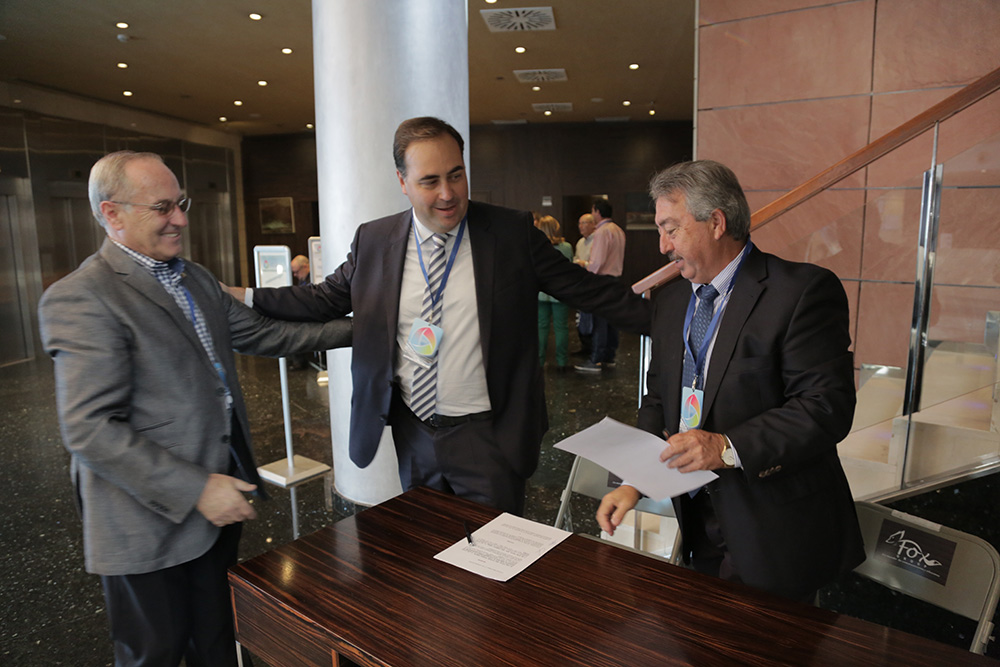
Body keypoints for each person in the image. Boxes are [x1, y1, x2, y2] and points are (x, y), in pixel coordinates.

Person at [235, 116, 650, 515]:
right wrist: (246, 297)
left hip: (489, 437)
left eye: (456, 175)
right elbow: (323, 299)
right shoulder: (375, 240)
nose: (448, 193)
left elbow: (589, 291)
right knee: (424, 549)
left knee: (494, 554)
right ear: (402, 182)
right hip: (414, 432)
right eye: (429, 181)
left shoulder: (510, 234)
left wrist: (671, 321)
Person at [38, 151, 352, 666]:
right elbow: (89, 428)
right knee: (155, 654)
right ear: (112, 214)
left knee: (216, 643)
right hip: (147, 524)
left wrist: (365, 330)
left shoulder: (194, 278)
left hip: (215, 508)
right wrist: (197, 489)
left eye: (180, 204)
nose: (180, 220)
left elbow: (268, 334)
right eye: (162, 208)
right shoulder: (82, 297)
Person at [596, 160, 863, 601]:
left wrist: (724, 446)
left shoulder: (801, 291)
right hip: (697, 519)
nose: (663, 246)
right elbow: (658, 398)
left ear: (717, 223)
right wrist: (633, 481)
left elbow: (825, 407)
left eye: (671, 229)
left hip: (774, 530)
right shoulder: (671, 300)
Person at [575, 199, 626, 373]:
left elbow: (597, 262)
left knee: (599, 322)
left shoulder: (602, 232)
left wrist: (587, 274)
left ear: (597, 211)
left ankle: (596, 359)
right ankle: (609, 357)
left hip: (602, 281)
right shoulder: (618, 230)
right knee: (611, 320)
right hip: (616, 279)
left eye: (592, 211)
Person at [535, 215, 574, 370]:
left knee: (541, 327)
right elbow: (570, 267)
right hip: (561, 292)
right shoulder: (566, 247)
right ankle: (562, 361)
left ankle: (539, 361)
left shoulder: (537, 246)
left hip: (541, 292)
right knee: (561, 327)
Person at [573, 213, 596, 358]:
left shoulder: (597, 241)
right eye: (580, 223)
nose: (581, 226)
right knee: (580, 317)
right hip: (580, 283)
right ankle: (584, 347)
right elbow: (575, 258)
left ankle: (593, 349)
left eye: (585, 223)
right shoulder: (580, 242)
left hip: (593, 283)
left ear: (593, 224)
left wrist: (584, 263)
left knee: (592, 317)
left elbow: (597, 264)